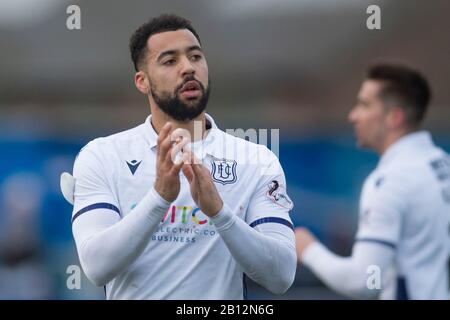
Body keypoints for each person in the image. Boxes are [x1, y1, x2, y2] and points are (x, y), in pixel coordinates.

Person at [69, 14, 296, 299]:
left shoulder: (257, 160)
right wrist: (159, 198)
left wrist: (219, 213)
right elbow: (96, 267)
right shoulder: (102, 155)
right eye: (170, 61)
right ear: (142, 81)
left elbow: (282, 276)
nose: (188, 68)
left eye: (196, 57)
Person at [295, 63, 450, 299]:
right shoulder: (442, 164)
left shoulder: (390, 182)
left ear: (394, 117)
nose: (353, 116)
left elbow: (364, 281)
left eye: (364, 105)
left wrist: (308, 250)